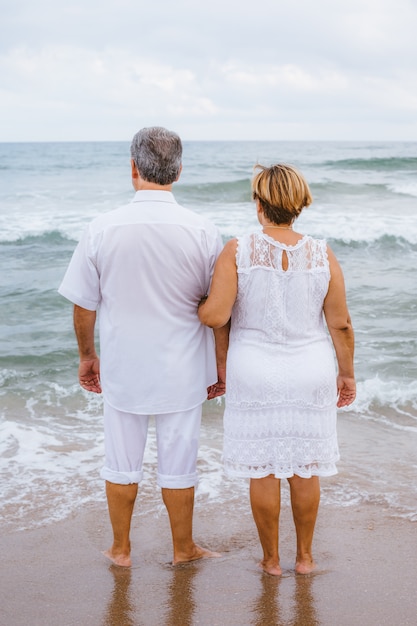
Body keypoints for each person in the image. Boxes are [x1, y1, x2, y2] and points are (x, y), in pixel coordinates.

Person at [59, 127, 227, 567]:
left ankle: (120, 549)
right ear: (179, 171)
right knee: (179, 462)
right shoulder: (203, 231)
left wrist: (87, 356)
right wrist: (221, 367)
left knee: (120, 460)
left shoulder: (101, 228)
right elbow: (219, 308)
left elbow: (84, 305)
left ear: (133, 168)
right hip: (184, 369)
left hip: (124, 366)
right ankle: (183, 548)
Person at [198, 163, 356, 576]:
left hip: (254, 370)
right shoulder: (323, 253)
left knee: (264, 469)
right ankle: (305, 558)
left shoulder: (239, 250)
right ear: (298, 203)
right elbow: (340, 323)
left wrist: (197, 303)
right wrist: (347, 374)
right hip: (311, 368)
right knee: (306, 468)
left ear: (259, 204)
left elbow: (215, 316)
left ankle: (271, 561)